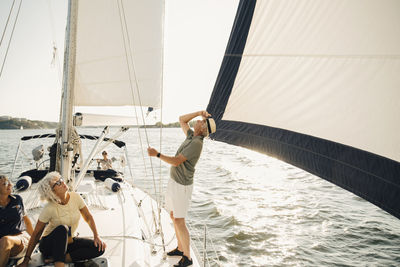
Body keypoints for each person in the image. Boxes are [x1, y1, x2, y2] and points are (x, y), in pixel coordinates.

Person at [147, 110, 216, 267]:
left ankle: (187, 257)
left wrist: (157, 154)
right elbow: (181, 120)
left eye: (200, 121)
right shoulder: (192, 136)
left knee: (179, 221)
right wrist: (199, 112)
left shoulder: (197, 144)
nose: (198, 121)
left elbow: (177, 161)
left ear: (203, 129)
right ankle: (180, 248)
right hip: (174, 183)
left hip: (182, 187)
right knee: (173, 217)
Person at [18, 171, 106, 267]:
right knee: (62, 228)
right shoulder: (49, 208)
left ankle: (58, 258)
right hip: (49, 245)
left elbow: (88, 217)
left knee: (99, 248)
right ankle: (59, 263)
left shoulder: (75, 197)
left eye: (61, 180)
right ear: (51, 191)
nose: (62, 182)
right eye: (58, 183)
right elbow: (36, 234)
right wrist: (26, 260)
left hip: (69, 241)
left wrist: (96, 236)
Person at [0, 175, 33, 267]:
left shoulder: (17, 199)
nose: (10, 185)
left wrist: (35, 239)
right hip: (2, 245)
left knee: (6, 240)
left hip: (20, 239)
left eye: (9, 182)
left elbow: (26, 221)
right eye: (5, 184)